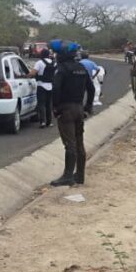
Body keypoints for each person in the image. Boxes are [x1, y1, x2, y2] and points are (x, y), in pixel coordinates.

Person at [50, 40, 94, 187]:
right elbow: (91, 89)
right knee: (79, 142)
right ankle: (80, 175)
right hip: (79, 109)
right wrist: (88, 106)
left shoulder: (61, 69)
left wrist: (55, 107)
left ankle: (68, 176)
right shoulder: (81, 68)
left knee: (70, 144)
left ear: (61, 55)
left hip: (66, 110)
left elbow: (56, 89)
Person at [31, 48, 55, 128]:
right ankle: (49, 122)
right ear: (48, 54)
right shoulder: (53, 63)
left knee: (41, 104)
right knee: (48, 105)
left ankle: (42, 122)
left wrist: (25, 75)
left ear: (41, 54)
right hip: (50, 86)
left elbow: (33, 73)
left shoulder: (39, 63)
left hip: (41, 85)